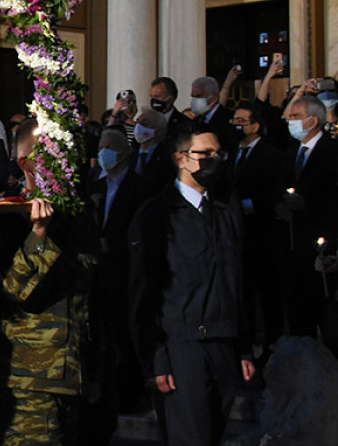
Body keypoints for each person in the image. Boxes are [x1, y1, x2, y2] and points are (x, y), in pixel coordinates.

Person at [129, 124, 255, 446]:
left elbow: (237, 280)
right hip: (181, 346)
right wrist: (157, 359)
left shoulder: (225, 210)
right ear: (181, 159)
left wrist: (242, 347)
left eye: (219, 154)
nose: (214, 161)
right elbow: (146, 292)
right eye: (205, 154)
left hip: (222, 342)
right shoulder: (157, 214)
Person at [0, 120, 96, 445]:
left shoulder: (79, 211)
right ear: (26, 162)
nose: (63, 161)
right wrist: (38, 235)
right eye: (50, 153)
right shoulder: (7, 213)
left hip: (78, 369)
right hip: (32, 378)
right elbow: (14, 290)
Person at [88, 129, 147, 415]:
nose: (102, 153)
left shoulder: (138, 187)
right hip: (100, 272)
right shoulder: (96, 185)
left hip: (125, 271)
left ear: (122, 152)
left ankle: (131, 392)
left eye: (108, 148)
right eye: (100, 147)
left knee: (126, 334)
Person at [278, 94, 338, 348]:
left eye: (295, 117)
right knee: (298, 318)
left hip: (323, 250)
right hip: (293, 247)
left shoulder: (333, 152)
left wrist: (308, 205)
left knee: (328, 320)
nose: (290, 122)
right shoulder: (291, 153)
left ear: (313, 120)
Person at [229, 103, 288, 356]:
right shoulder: (229, 153)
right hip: (235, 234)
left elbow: (276, 193)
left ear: (255, 126)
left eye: (241, 121)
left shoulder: (271, 155)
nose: (236, 125)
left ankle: (270, 344)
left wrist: (252, 205)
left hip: (262, 234)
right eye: (234, 120)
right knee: (242, 294)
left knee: (266, 292)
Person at [131, 108, 177, 199]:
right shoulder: (130, 157)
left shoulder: (168, 159)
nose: (138, 127)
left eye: (144, 123)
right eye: (137, 122)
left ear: (157, 131)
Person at [190, 76, 236, 153]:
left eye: (198, 96)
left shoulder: (230, 118)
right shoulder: (195, 122)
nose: (194, 100)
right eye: (193, 96)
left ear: (214, 98)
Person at [149, 77, 191, 142]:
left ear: (171, 99)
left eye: (157, 96)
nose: (153, 100)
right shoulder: (145, 122)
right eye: (151, 96)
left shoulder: (185, 124)